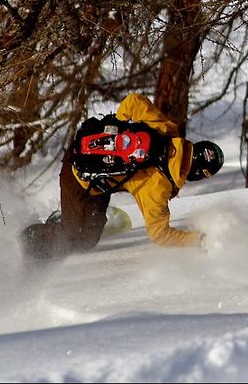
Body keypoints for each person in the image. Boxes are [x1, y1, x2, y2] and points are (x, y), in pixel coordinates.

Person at [21, 92, 224, 260]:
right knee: (74, 239)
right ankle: (26, 245)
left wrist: (113, 134)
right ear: (197, 173)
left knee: (89, 236)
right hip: (77, 179)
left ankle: (66, 220)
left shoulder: (167, 131)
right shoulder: (158, 188)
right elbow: (160, 235)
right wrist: (200, 240)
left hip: (91, 163)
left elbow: (133, 101)